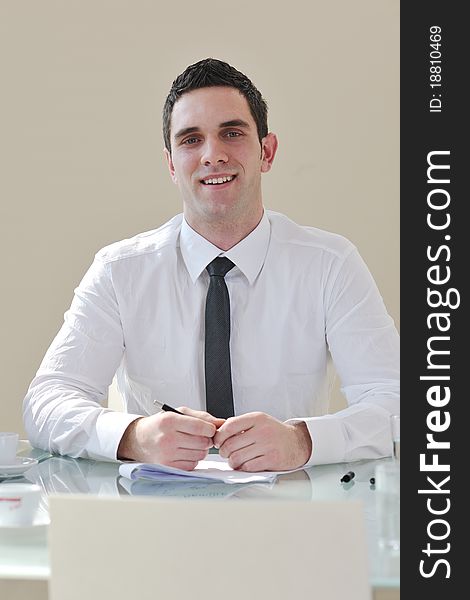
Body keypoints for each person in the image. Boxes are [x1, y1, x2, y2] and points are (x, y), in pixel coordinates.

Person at [23, 58, 399, 472]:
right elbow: (47, 401)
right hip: (151, 520)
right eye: (190, 140)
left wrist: (303, 440)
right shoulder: (120, 271)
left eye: (232, 133)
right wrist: (133, 436)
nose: (212, 155)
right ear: (171, 164)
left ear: (266, 152)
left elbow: (396, 402)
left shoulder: (330, 265)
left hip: (292, 519)